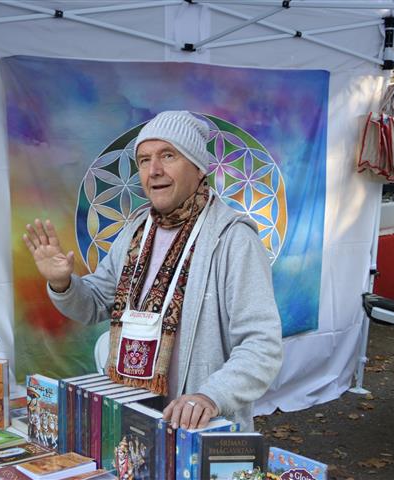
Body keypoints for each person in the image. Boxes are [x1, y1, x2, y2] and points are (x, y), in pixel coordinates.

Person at [22, 111, 282, 432]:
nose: (154, 170)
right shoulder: (136, 232)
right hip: (133, 422)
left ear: (199, 167)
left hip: (200, 429)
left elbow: (262, 345)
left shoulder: (233, 239)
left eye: (168, 155)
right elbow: (93, 304)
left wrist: (209, 397)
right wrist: (62, 283)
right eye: (144, 160)